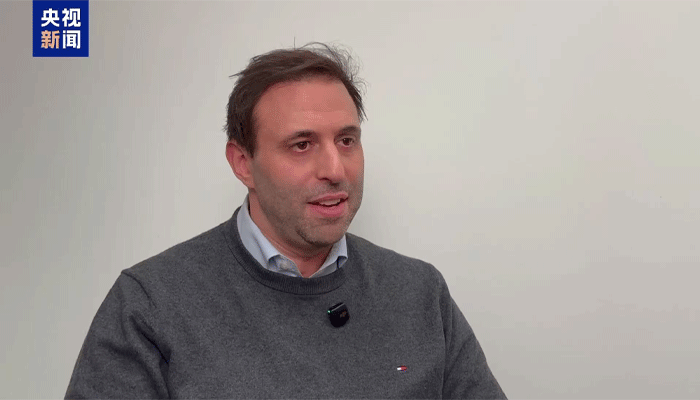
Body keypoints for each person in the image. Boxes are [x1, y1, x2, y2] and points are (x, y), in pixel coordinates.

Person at [65, 42, 507, 399]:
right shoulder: (151, 305)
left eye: (346, 140)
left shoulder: (420, 293)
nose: (335, 168)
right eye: (301, 145)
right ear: (243, 163)